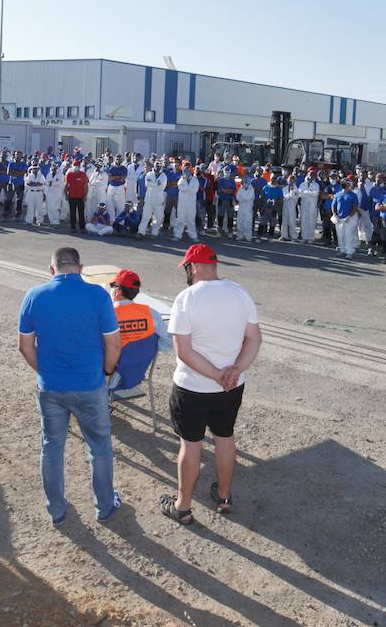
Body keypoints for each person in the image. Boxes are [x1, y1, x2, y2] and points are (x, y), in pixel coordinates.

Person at [17, 247, 123, 525]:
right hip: (90, 383)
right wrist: (108, 371)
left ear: (51, 270)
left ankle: (57, 510)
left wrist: (45, 370)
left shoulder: (34, 296)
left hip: (51, 386)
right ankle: (104, 506)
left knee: (52, 447)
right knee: (99, 447)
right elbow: (113, 343)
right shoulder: (98, 295)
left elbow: (25, 346)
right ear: (80, 267)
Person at [160, 244, 261, 525]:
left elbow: (184, 351)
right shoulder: (240, 293)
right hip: (231, 387)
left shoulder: (187, 298)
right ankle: (225, 496)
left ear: (194, 267)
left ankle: (183, 506)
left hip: (193, 387)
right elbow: (254, 338)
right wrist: (234, 370)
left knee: (191, 445)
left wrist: (216, 374)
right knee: (224, 437)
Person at [106, 269, 172, 399]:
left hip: (107, 378)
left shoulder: (107, 314)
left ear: (118, 291)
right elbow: (166, 345)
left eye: (112, 286)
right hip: (136, 375)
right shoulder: (152, 314)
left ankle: (100, 405)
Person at [331, 179, 360, 258]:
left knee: (349, 235)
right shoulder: (337, 194)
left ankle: (350, 252)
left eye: (345, 183)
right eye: (342, 183)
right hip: (339, 218)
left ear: (348, 184)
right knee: (340, 235)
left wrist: (349, 216)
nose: (343, 184)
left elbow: (355, 207)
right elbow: (333, 206)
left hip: (350, 218)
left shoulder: (353, 195)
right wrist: (335, 215)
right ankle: (342, 250)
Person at [173, 165, 200, 241]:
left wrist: (187, 189)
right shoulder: (181, 180)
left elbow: (194, 190)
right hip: (182, 204)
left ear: (190, 171)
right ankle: (177, 235)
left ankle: (193, 236)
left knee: (191, 220)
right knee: (180, 220)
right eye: (184, 171)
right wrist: (189, 189)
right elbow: (181, 188)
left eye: (187, 170)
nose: (186, 172)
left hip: (191, 204)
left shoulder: (195, 180)